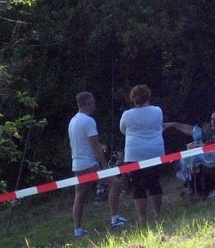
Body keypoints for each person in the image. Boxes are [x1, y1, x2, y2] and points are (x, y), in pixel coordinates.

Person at [68, 92, 128, 237]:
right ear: (88, 104)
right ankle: (115, 219)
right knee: (115, 183)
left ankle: (78, 230)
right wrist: (104, 166)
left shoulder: (73, 121)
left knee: (80, 196)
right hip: (89, 164)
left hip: (77, 164)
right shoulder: (89, 121)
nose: (95, 105)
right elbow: (95, 145)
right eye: (93, 103)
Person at [167, 110, 215, 194]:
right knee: (185, 163)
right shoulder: (211, 133)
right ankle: (193, 187)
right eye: (211, 120)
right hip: (212, 158)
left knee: (204, 164)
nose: (213, 122)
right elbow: (194, 132)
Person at [120, 84, 166, 225]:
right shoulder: (158, 110)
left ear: (133, 99)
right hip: (155, 151)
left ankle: (142, 217)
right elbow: (160, 125)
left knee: (138, 185)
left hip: (134, 153)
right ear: (148, 96)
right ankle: (157, 213)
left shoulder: (126, 115)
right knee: (154, 182)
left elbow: (123, 130)